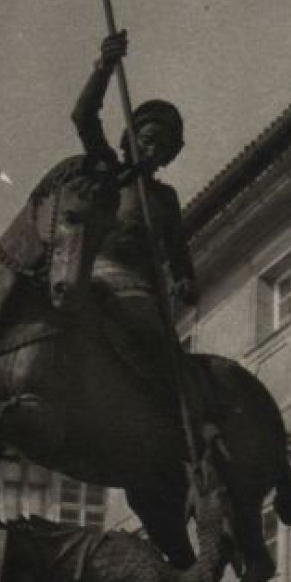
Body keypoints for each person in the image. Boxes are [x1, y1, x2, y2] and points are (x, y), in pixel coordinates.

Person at [71, 30, 197, 387]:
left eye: (162, 146)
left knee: (155, 345)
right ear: (130, 139)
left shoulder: (164, 199)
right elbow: (83, 116)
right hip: (83, 273)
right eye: (146, 139)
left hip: (133, 288)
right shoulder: (106, 169)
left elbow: (178, 255)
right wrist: (105, 65)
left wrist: (186, 281)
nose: (152, 148)